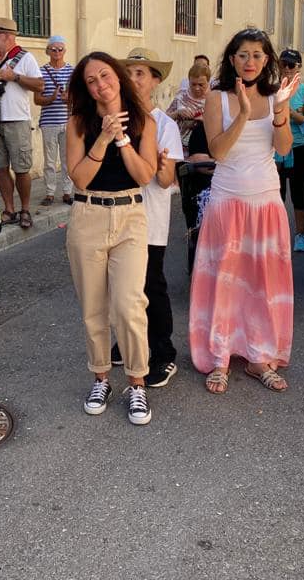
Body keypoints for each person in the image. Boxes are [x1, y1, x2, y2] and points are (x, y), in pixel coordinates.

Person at [188, 28, 301, 396]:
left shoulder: (274, 99)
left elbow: (284, 149)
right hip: (227, 201)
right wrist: (244, 114)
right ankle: (219, 356)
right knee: (224, 280)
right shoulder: (217, 98)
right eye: (242, 55)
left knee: (262, 283)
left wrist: (280, 108)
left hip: (266, 202)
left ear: (266, 60)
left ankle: (259, 356)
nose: (249, 61)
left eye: (256, 55)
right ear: (232, 59)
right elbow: (218, 152)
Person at [65, 52, 157, 425]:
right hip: (87, 214)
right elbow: (80, 178)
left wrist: (122, 140)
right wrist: (102, 138)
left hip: (129, 215)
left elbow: (146, 174)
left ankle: (137, 382)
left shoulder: (143, 121)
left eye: (105, 75)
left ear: (118, 77)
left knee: (129, 304)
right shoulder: (78, 122)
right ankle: (101, 376)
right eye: (91, 80)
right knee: (93, 308)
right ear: (86, 88)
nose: (100, 84)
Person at [123, 48, 184, 389]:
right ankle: (131, 343)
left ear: (155, 80)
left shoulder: (166, 125)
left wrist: (159, 165)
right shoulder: (116, 119)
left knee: (150, 286)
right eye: (129, 73)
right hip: (118, 218)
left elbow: (164, 181)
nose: (133, 80)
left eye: (140, 73)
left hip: (149, 219)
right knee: (122, 288)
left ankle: (163, 352)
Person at [0, 17, 44, 229]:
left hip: (17, 120)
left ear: (6, 36)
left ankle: (25, 209)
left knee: (22, 168)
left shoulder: (26, 58)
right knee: (0, 167)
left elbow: (40, 85)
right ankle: (9, 209)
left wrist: (14, 77)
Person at [274, 49, 304, 253]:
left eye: (291, 65)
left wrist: (286, 110)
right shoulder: (272, 89)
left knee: (300, 194)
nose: (286, 69)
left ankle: (300, 234)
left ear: (299, 68)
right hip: (276, 149)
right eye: (283, 64)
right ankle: (278, 233)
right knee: (276, 193)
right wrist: (295, 114)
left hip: (300, 148)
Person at [35, 35, 74, 206]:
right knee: (49, 161)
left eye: (60, 49)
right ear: (48, 51)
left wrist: (69, 99)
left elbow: (78, 97)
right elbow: (37, 99)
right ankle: (50, 193)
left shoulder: (72, 71)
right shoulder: (41, 72)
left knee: (67, 160)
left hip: (67, 122)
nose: (57, 52)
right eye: (53, 49)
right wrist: (51, 98)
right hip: (49, 123)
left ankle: (67, 192)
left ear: (65, 51)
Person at [167, 60, 212, 147]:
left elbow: (221, 125)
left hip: (203, 149)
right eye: (193, 84)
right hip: (178, 146)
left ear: (208, 82)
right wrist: (177, 114)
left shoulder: (213, 98)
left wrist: (203, 120)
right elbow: (165, 118)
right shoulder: (181, 95)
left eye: (201, 85)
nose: (197, 88)